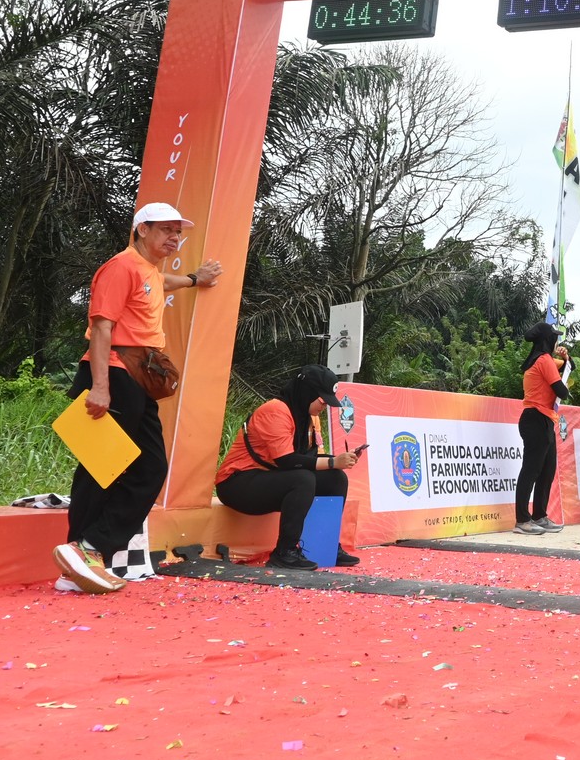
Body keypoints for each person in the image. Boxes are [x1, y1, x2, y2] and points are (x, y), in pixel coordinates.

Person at [54, 202, 222, 595]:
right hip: (112, 372)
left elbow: (163, 282)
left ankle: (86, 551)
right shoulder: (121, 267)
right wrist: (100, 386)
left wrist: (195, 279)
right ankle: (80, 558)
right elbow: (101, 328)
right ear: (142, 229)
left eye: (178, 231)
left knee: (150, 468)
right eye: (166, 229)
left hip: (137, 378)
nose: (174, 237)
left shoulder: (148, 271)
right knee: (101, 467)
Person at [214, 364, 361, 570]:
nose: (324, 406)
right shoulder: (276, 410)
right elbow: (287, 461)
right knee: (303, 479)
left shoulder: (308, 417)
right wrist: (332, 461)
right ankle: (285, 552)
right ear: (307, 392)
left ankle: (326, 546)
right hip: (236, 484)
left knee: (335, 478)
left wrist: (337, 462)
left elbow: (307, 458)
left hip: (269, 479)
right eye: (322, 400)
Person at [514, 323, 570, 534]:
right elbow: (562, 391)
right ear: (548, 340)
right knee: (531, 470)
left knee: (547, 470)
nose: (557, 341)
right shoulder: (544, 360)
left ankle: (539, 515)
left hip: (544, 419)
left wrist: (566, 358)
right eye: (554, 337)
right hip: (535, 419)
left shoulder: (542, 359)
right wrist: (564, 372)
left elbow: (567, 366)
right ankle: (522, 520)